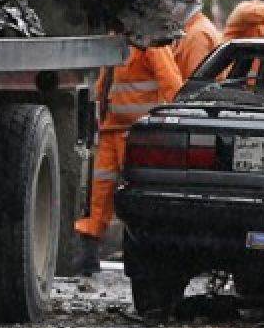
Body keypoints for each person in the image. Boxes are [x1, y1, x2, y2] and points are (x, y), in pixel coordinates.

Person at [74, 43, 183, 276]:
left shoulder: (150, 43)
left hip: (137, 133)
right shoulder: (117, 42)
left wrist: (177, 118)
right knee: (98, 194)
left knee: (140, 192)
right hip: (110, 129)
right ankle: (87, 252)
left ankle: (149, 253)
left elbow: (170, 80)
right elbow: (106, 84)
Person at [161, 0, 222, 77]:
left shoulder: (197, 35)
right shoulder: (193, 28)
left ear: (180, 7)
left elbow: (196, 81)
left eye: (166, 7)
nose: (164, 13)